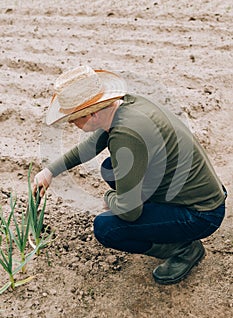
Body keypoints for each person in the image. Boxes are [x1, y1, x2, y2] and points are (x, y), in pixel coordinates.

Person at [33, 65, 227, 285]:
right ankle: (166, 225)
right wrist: (49, 171)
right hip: (199, 194)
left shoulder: (127, 134)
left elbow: (129, 212)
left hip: (200, 214)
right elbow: (89, 147)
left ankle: (185, 249)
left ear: (93, 113)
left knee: (107, 228)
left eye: (74, 118)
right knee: (111, 168)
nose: (71, 123)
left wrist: (110, 200)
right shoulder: (123, 107)